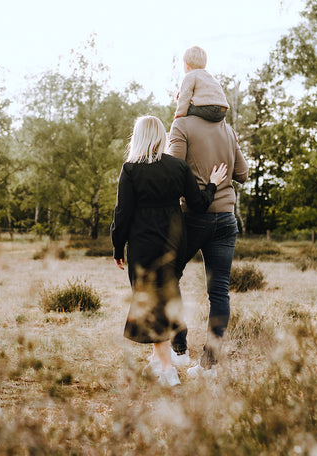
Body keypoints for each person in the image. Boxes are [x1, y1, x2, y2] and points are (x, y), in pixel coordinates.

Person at [112, 115, 228, 387]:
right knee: (163, 299)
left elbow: (122, 213)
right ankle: (158, 361)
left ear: (138, 137)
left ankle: (167, 370)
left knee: (151, 304)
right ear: (162, 137)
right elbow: (199, 203)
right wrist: (212, 184)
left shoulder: (130, 169)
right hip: (175, 244)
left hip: (143, 246)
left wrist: (118, 245)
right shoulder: (178, 167)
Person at [168, 95, 248, 379]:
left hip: (193, 217)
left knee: (168, 275)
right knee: (219, 292)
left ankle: (178, 349)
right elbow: (242, 173)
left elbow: (171, 172)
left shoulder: (182, 126)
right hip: (226, 218)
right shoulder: (228, 129)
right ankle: (209, 366)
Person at [174, 46, 230, 123]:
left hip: (207, 109)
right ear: (204, 65)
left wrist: (179, 115)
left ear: (186, 65)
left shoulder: (190, 75)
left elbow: (184, 97)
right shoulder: (210, 77)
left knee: (187, 106)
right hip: (222, 111)